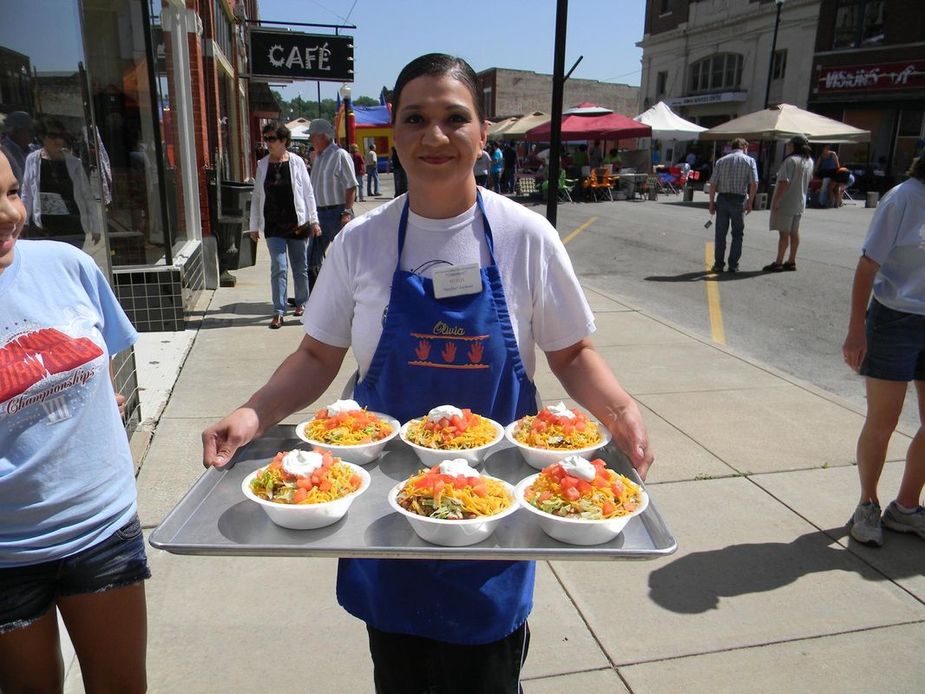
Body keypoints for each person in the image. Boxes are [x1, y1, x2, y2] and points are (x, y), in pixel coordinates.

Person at [202, 53, 654, 694]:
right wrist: (251, 414)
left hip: (489, 508)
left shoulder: (526, 236)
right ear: (394, 131)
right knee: (400, 670)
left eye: (454, 118)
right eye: (415, 118)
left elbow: (572, 353)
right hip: (389, 504)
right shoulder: (359, 242)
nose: (434, 136)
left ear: (483, 132)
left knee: (487, 673)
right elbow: (316, 356)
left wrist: (620, 409)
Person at [0, 151, 150, 693]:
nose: (7, 214)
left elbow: (100, 366)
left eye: (13, 192)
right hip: (7, 551)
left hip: (102, 526)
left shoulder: (67, 264)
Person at [842, 153, 925, 546]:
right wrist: (856, 329)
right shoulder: (903, 198)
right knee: (883, 421)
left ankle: (906, 508)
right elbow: (866, 266)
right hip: (894, 320)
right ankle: (867, 504)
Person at [249, 122, 319, 330]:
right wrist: (253, 225)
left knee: (300, 267)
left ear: (283, 141)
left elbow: (308, 193)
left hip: (297, 224)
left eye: (272, 139)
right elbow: (257, 196)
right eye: (266, 139)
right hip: (273, 225)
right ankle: (278, 311)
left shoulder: (297, 163)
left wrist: (314, 221)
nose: (267, 143)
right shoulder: (262, 165)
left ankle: (302, 303)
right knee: (279, 267)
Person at [21, 117, 102, 249]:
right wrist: (24, 222)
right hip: (45, 229)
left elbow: (87, 196)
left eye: (61, 136)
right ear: (42, 136)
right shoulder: (32, 160)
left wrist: (96, 227)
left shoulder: (74, 163)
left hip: (72, 228)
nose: (58, 140)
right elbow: (27, 193)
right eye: (53, 136)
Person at [307, 118, 358, 290]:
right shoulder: (318, 157)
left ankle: (345, 293)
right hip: (319, 214)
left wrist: (347, 212)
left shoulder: (339, 155)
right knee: (312, 257)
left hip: (337, 213)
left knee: (344, 258)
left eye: (312, 137)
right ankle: (315, 296)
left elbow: (351, 185)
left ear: (323, 136)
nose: (310, 140)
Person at [763, 134, 814, 272]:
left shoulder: (790, 161)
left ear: (794, 146)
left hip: (787, 201)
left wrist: (777, 200)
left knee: (783, 233)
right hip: (800, 201)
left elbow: (784, 181)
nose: (788, 146)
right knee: (794, 231)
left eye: (790, 144)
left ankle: (779, 261)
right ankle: (791, 260)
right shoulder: (809, 161)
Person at [707, 138, 758, 273]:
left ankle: (718, 264)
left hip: (722, 198)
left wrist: (711, 202)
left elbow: (713, 184)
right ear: (744, 147)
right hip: (739, 199)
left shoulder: (721, 161)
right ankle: (733, 264)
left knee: (720, 233)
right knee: (737, 233)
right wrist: (750, 201)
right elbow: (754, 183)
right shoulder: (749, 161)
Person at [0, 111, 36, 184]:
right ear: (14, 131)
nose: (32, 133)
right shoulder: (4, 152)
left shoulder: (34, 149)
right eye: (28, 130)